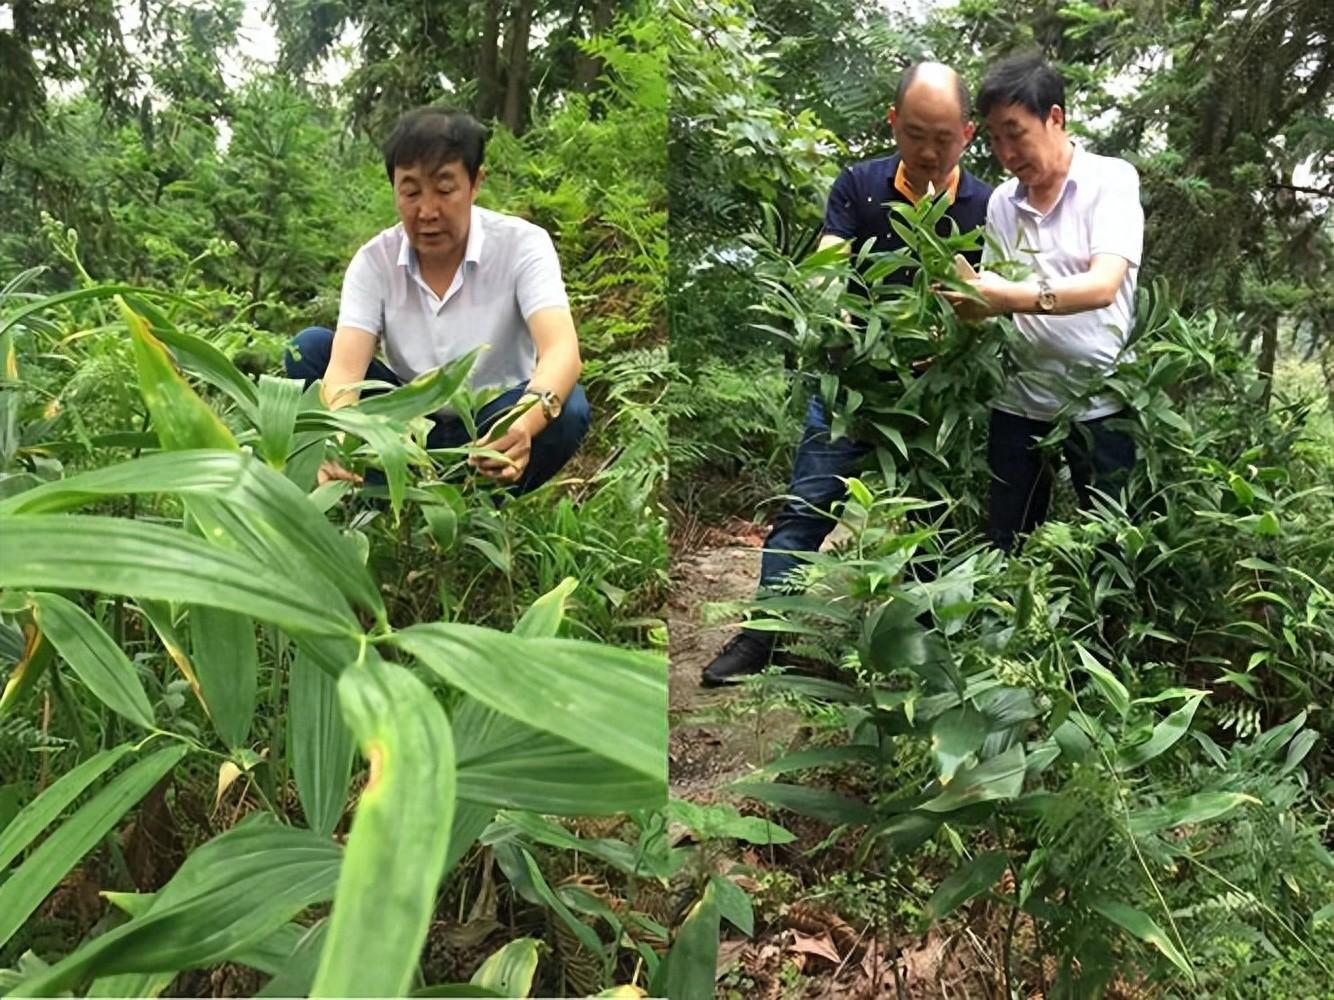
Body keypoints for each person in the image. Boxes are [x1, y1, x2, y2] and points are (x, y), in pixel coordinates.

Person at [700, 62, 993, 687]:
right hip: (851, 390)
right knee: (806, 509)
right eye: (916, 133)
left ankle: (919, 651)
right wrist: (831, 309)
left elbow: (990, 313)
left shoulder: (987, 206)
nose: (929, 151)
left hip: (933, 403)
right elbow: (827, 270)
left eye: (944, 138)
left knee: (930, 518)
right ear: (893, 123)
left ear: (968, 134)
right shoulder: (859, 187)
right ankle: (763, 636)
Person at [284, 107, 590, 495]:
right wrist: (337, 443)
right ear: (393, 187)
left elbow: (562, 349)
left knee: (568, 406)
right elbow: (345, 369)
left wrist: (525, 419)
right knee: (307, 350)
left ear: (476, 182)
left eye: (444, 189)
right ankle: (383, 493)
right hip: (405, 424)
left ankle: (485, 502)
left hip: (492, 419)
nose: (427, 211)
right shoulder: (374, 261)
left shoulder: (522, 245)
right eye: (410, 192)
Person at [942, 53, 1142, 552]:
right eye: (994, 138)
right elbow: (991, 292)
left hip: (1100, 403)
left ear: (1055, 117)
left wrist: (1005, 296)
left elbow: (1103, 285)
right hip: (1018, 401)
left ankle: (1101, 633)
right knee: (1008, 543)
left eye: (1016, 132)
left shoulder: (1111, 181)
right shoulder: (1001, 202)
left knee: (1111, 549)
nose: (1006, 152)